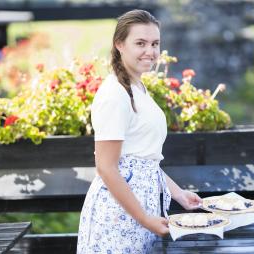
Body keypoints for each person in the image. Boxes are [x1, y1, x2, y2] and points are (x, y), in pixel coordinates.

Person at [77, 9, 202, 253]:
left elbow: (142, 160)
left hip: (140, 213)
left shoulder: (137, 87)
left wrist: (178, 194)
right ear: (119, 44)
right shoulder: (114, 94)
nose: (150, 51)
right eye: (140, 43)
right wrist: (144, 218)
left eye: (155, 43)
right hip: (117, 217)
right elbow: (107, 167)